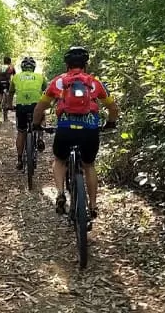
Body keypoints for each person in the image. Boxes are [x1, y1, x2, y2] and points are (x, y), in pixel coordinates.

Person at [31, 46, 119, 221]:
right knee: (89, 165)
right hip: (89, 131)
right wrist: (110, 123)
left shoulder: (58, 82)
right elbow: (113, 108)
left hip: (65, 129)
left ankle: (60, 193)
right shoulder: (95, 82)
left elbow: (41, 107)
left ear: (67, 64)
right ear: (85, 64)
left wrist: (36, 124)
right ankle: (93, 206)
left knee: (59, 160)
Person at [7, 57, 47, 170]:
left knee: (21, 131)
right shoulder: (40, 77)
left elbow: (10, 93)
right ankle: (40, 137)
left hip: (21, 107)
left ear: (22, 67)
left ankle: (19, 159)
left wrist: (9, 105)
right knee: (42, 116)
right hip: (36, 106)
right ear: (33, 68)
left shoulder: (16, 77)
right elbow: (46, 90)